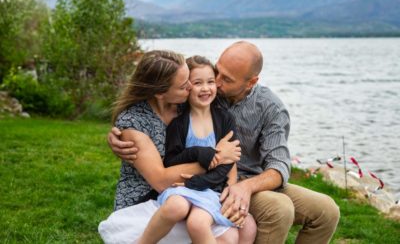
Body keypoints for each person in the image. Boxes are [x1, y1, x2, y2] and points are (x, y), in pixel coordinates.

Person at [108, 41, 341, 244]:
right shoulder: (197, 92)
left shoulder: (270, 107)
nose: (216, 83)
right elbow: (161, 92)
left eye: (225, 79)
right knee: (279, 209)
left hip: (249, 179)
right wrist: (118, 136)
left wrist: (244, 187)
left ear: (251, 82)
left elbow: (279, 166)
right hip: (212, 179)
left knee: (327, 211)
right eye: (216, 72)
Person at [98, 50, 242, 244]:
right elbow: (160, 181)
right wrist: (217, 157)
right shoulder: (135, 121)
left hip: (189, 195)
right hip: (146, 200)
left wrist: (230, 182)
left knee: (232, 234)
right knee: (201, 223)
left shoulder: (183, 103)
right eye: (185, 85)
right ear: (160, 92)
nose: (191, 87)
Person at [138, 56, 256, 244]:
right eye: (198, 83)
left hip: (209, 188)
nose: (206, 88)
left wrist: (199, 182)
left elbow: (228, 162)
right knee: (178, 207)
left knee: (203, 223)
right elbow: (171, 161)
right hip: (182, 190)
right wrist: (199, 153)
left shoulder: (225, 119)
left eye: (210, 82)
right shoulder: (179, 123)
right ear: (187, 87)